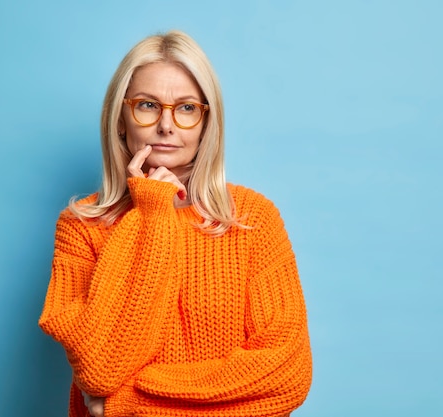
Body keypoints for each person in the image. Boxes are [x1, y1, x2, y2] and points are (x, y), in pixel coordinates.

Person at [38, 30, 312, 417]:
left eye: (186, 109)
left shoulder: (252, 219)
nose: (167, 125)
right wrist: (152, 212)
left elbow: (285, 377)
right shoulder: (82, 226)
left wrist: (128, 402)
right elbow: (100, 371)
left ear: (206, 124)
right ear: (120, 118)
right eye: (148, 105)